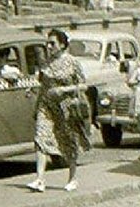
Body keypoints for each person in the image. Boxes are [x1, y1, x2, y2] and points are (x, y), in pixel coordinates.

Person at [27, 29, 92, 192]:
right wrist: (34, 98)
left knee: (69, 141)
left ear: (62, 45)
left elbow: (84, 85)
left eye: (52, 43)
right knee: (40, 137)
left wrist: (64, 90)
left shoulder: (72, 62)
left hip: (66, 107)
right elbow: (43, 84)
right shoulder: (46, 63)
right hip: (46, 106)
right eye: (47, 43)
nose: (49, 47)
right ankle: (40, 179)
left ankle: (72, 177)